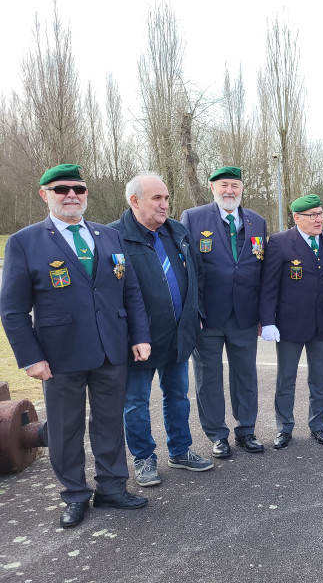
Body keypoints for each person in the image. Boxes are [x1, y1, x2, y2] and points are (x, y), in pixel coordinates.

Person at [0, 164, 151, 528]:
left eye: (78, 189)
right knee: (66, 428)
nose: (71, 195)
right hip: (59, 355)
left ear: (86, 194)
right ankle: (75, 495)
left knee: (109, 423)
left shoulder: (107, 236)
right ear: (45, 195)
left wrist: (140, 336)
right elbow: (12, 308)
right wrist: (30, 357)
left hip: (111, 349)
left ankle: (112, 488)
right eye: (61, 189)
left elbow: (130, 291)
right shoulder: (24, 241)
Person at [109, 172, 211, 487]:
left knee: (177, 395)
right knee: (137, 402)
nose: (164, 204)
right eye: (157, 198)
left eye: (166, 198)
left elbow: (198, 273)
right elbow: (110, 292)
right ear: (134, 200)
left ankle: (180, 451)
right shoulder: (113, 236)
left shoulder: (177, 231)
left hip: (179, 333)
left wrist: (198, 312)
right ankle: (144, 459)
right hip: (140, 340)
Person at [181, 167, 270, 458]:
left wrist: (264, 316)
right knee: (208, 377)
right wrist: (192, 312)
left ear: (242, 188)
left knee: (246, 375)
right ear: (212, 187)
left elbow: (263, 273)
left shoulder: (257, 221)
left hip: (245, 314)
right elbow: (187, 271)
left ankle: (246, 430)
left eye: (234, 185)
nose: (229, 190)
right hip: (207, 316)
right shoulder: (192, 218)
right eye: (223, 185)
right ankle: (217, 435)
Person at [262, 194, 323, 448]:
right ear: (297, 218)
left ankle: (318, 426)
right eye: (312, 215)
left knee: (320, 378)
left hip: (321, 322)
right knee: (286, 378)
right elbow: (269, 285)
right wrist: (267, 320)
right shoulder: (280, 243)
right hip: (289, 323)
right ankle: (284, 427)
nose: (319, 219)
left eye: (320, 213)